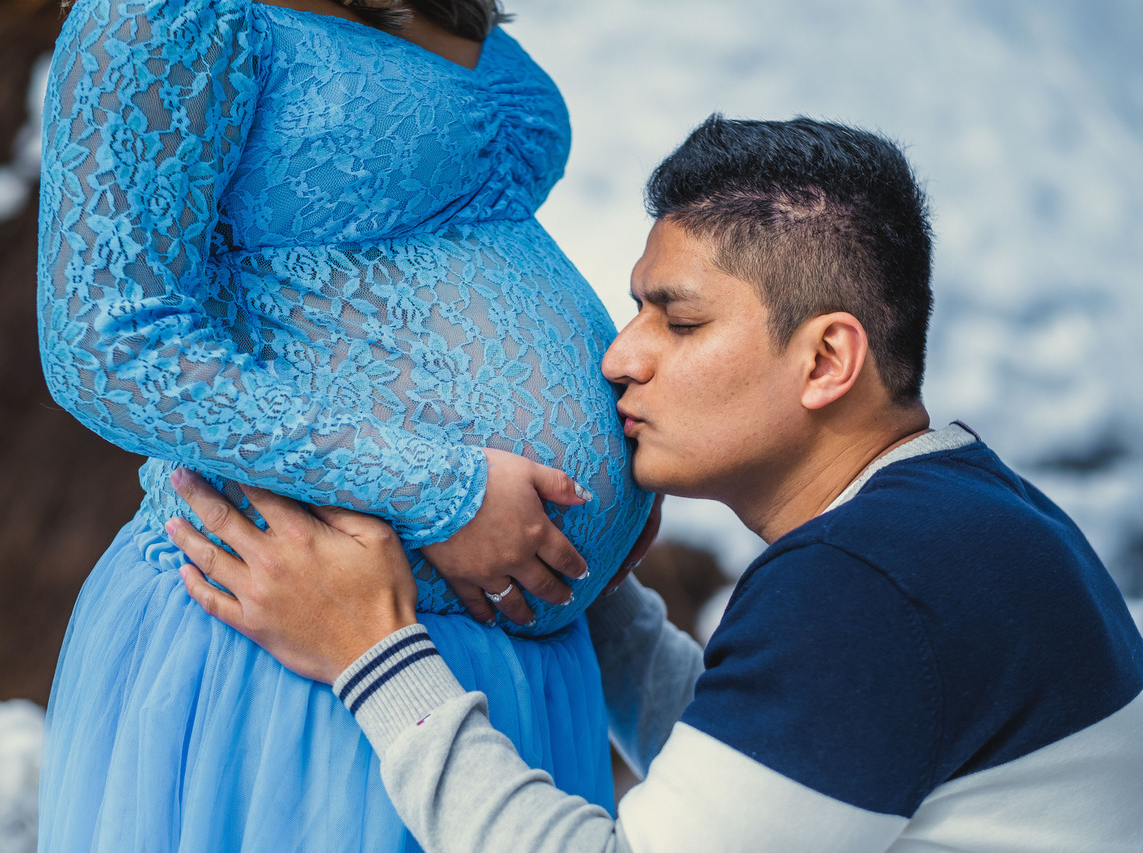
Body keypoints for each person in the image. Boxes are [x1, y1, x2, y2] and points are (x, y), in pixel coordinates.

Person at [166, 116, 1143, 851]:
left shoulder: (865, 581)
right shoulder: (963, 513)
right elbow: (777, 775)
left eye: (676, 323)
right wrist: (598, 606)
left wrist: (370, 651)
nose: (619, 357)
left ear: (824, 360)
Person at [35, 0, 654, 849]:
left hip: (516, 661)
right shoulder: (168, 13)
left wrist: (635, 460)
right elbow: (108, 344)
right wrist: (446, 492)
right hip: (304, 651)